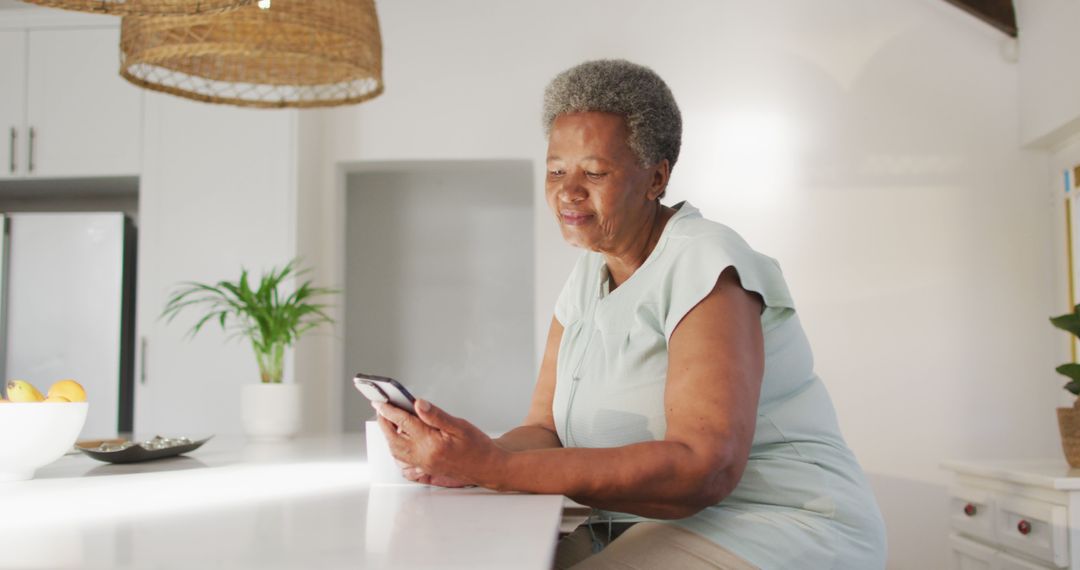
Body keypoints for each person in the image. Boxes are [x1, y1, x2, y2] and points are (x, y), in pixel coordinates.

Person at [372, 59, 887, 569]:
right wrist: (468, 459)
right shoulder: (587, 277)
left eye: (594, 171)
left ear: (656, 178)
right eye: (556, 170)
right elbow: (545, 430)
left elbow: (703, 468)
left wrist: (497, 467)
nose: (568, 191)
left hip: (773, 525)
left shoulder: (705, 262)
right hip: (639, 524)